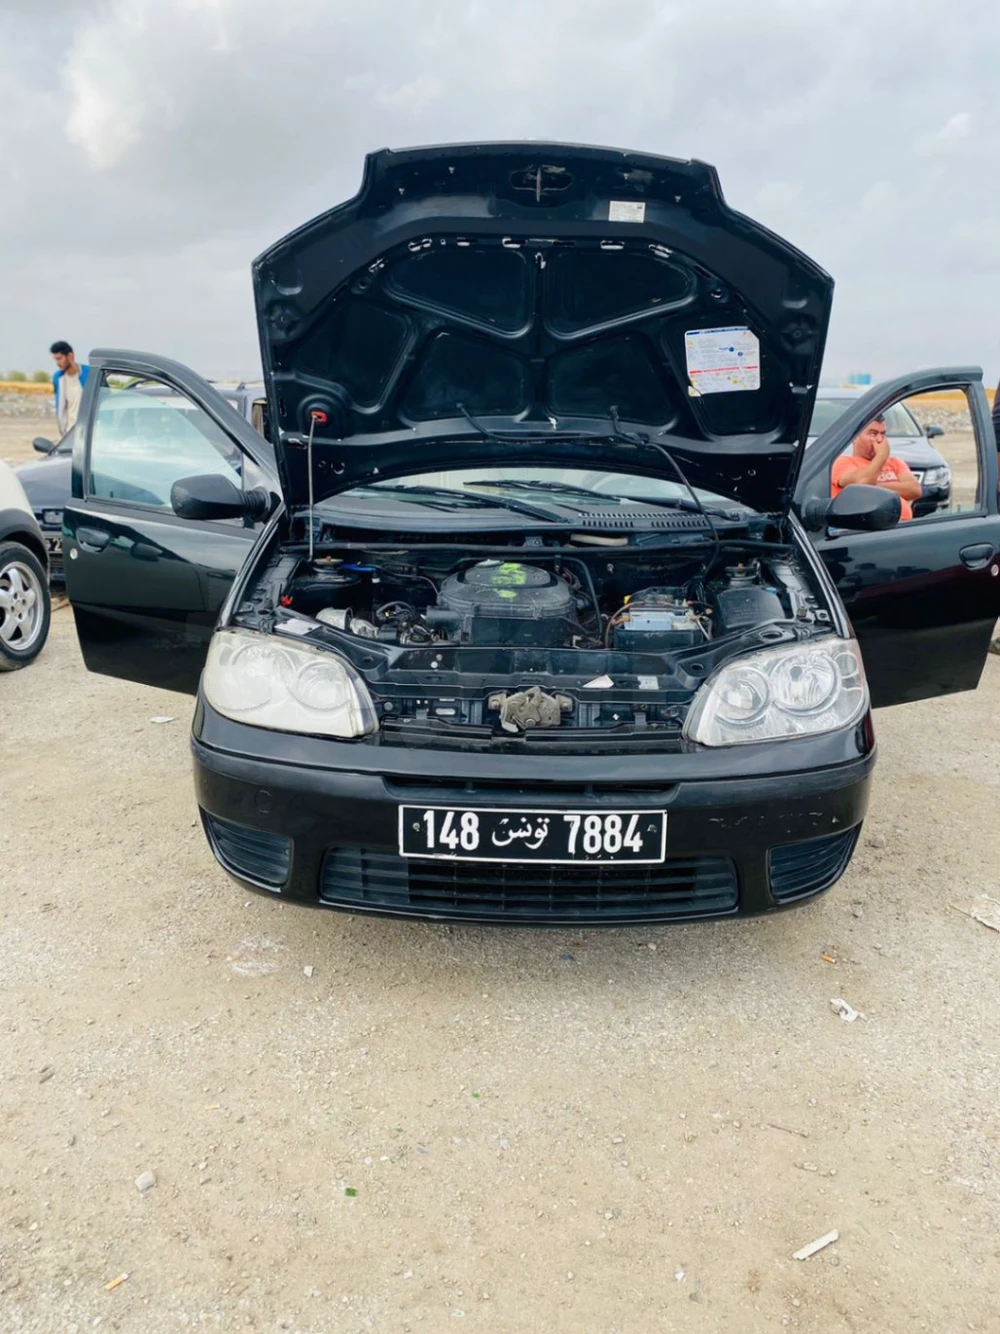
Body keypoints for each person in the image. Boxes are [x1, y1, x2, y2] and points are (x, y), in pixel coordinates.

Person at [830, 415, 922, 521]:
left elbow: (914, 489)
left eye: (883, 434)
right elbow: (862, 485)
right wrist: (881, 456)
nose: (879, 439)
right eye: (873, 434)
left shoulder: (895, 462)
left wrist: (872, 486)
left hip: (903, 525)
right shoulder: (843, 462)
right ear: (855, 437)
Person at [50, 340, 90, 436]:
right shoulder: (58, 378)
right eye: (56, 360)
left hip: (88, 431)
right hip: (69, 433)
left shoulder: (89, 373)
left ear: (70, 356)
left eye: (59, 359)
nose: (58, 363)